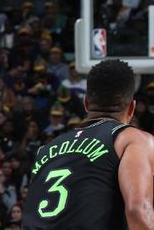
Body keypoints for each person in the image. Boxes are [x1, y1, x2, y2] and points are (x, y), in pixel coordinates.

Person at [22, 59, 154, 229]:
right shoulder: (131, 139)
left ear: (86, 103)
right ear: (131, 108)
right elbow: (138, 211)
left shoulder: (46, 149)